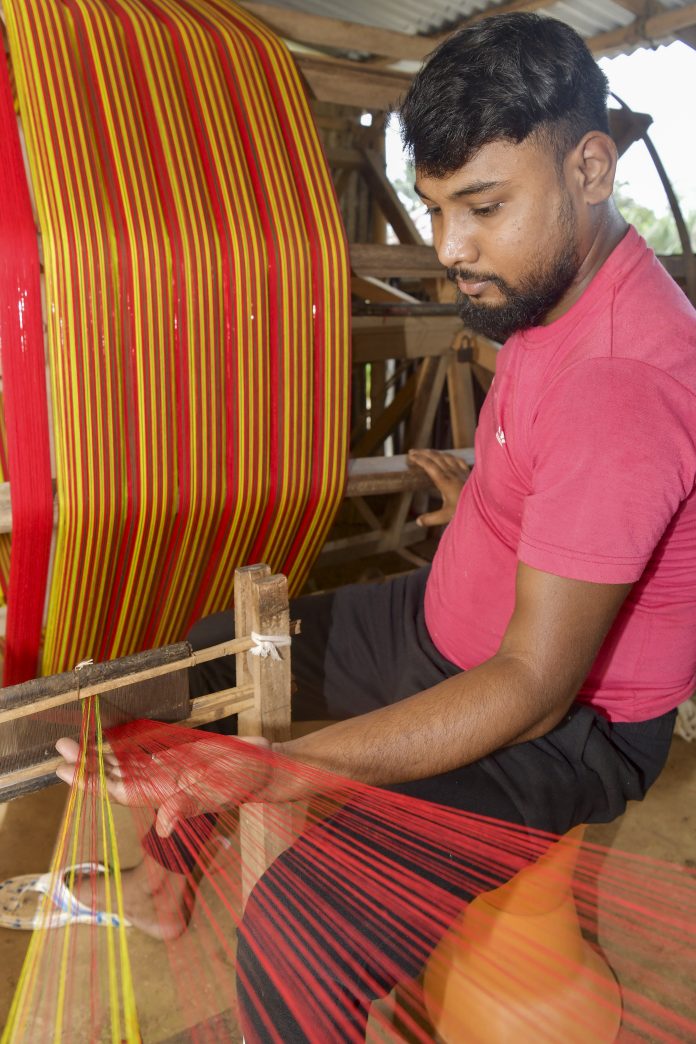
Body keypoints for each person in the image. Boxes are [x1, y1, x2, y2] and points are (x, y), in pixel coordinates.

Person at [57, 10, 696, 1040]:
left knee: (298, 930)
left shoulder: (623, 381)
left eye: (483, 208)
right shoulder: (547, 293)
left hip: (567, 722)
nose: (451, 250)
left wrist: (288, 770)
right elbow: (569, 495)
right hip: (452, 622)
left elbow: (533, 690)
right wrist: (482, 510)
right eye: (435, 209)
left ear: (590, 168)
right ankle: (166, 886)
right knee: (217, 664)